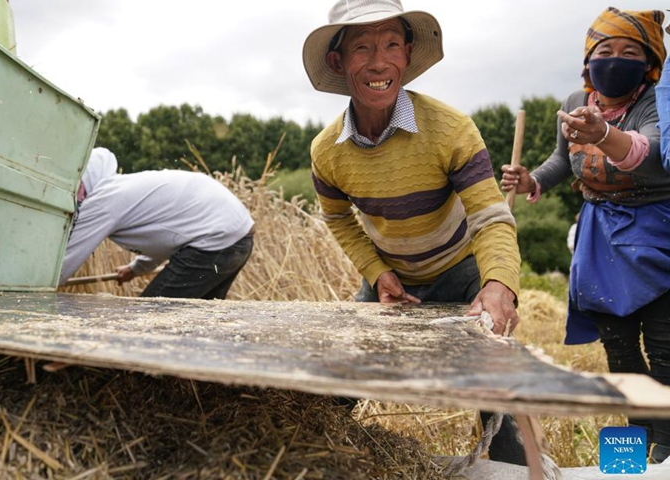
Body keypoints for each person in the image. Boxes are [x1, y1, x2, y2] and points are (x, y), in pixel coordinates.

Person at [303, 0, 524, 465]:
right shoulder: (327, 151)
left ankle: (511, 467)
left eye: (390, 45)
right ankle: (319, 458)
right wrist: (377, 272)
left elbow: (489, 216)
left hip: (460, 268)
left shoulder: (451, 130)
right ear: (337, 62)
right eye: (361, 47)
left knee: (497, 380)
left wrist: (499, 285)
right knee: (339, 378)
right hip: (391, 277)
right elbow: (339, 219)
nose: (378, 62)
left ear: (407, 54)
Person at [501, 8, 670, 464]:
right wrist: (530, 181)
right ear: (587, 60)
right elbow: (563, 161)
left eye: (630, 51)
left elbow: (651, 152)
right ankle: (634, 452)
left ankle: (667, 451)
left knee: (664, 349)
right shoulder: (579, 98)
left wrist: (605, 134)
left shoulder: (658, 101)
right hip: (601, 241)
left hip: (656, 234)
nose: (615, 60)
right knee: (618, 350)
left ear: (651, 61)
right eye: (604, 51)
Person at [60, 148, 255, 300]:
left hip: (217, 240)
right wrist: (136, 268)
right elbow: (168, 234)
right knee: (199, 322)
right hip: (238, 237)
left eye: (78, 187)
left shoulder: (103, 199)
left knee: (147, 320)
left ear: (89, 180)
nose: (76, 195)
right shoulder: (121, 190)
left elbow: (66, 260)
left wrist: (34, 288)